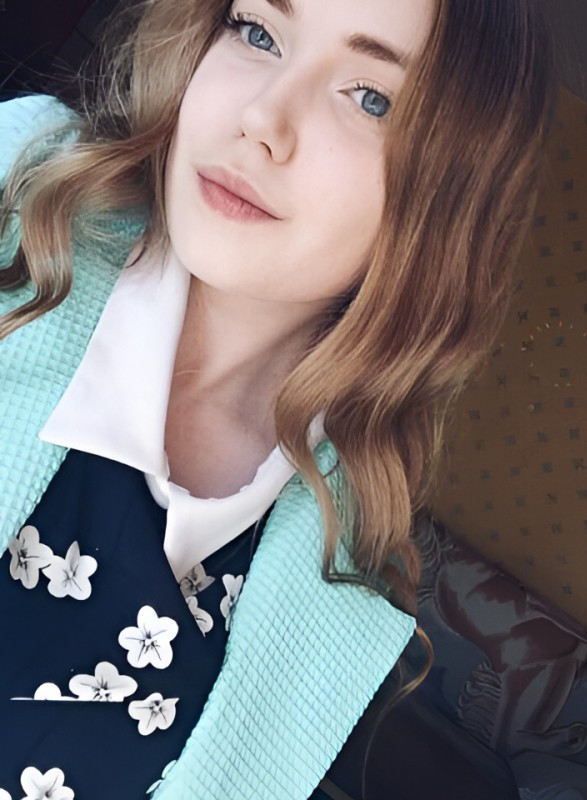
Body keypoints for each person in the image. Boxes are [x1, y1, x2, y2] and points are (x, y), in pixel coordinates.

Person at [0, 0, 553, 797]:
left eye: (371, 98)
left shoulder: (339, 565)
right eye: (257, 31)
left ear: (450, 196)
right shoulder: (19, 193)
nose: (262, 118)